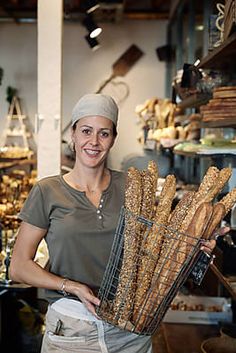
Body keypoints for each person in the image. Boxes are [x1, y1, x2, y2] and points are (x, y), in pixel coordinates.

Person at [10, 93, 225, 353]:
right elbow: (19, 267)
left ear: (113, 139)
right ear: (74, 135)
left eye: (104, 133)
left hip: (130, 329)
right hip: (72, 329)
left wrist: (196, 249)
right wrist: (72, 286)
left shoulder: (135, 186)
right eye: (86, 131)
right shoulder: (47, 191)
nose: (94, 141)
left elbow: (157, 254)